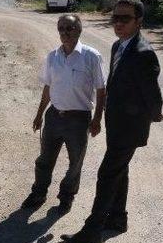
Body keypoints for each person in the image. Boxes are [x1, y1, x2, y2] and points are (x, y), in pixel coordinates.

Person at [61, 0, 163, 243]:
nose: (118, 23)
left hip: (130, 127)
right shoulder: (119, 45)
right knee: (120, 171)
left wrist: (155, 113)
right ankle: (118, 219)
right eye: (115, 17)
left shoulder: (143, 53)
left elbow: (153, 93)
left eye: (125, 18)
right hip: (116, 123)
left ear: (139, 21)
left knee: (107, 174)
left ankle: (92, 230)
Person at [22, 14, 106, 214]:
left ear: (79, 30)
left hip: (79, 119)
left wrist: (97, 119)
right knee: (44, 160)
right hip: (53, 117)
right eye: (61, 28)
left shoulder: (91, 56)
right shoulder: (53, 57)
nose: (64, 32)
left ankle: (66, 197)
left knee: (75, 163)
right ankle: (39, 193)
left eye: (69, 28)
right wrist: (39, 114)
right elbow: (48, 87)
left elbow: (101, 90)